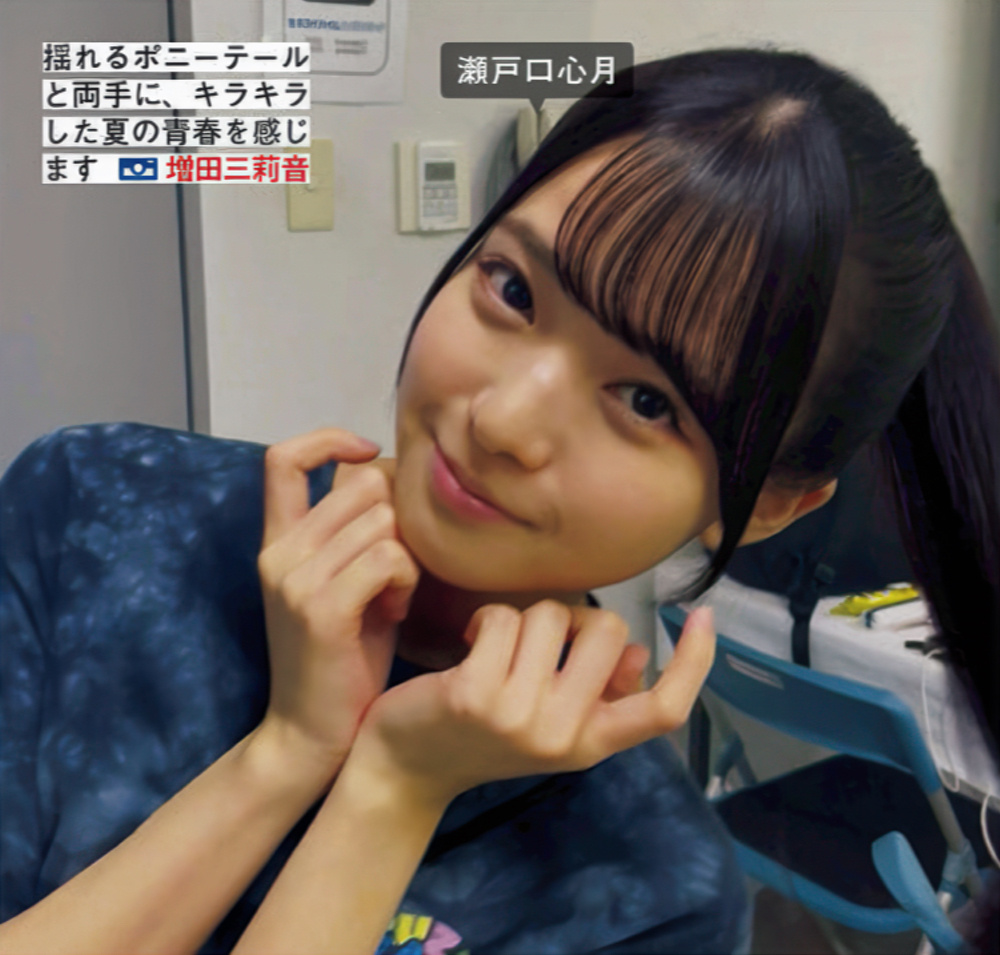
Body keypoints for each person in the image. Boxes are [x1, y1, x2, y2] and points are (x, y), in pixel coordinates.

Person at [1, 47, 998, 954]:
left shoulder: (653, 893)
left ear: (770, 505)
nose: (504, 419)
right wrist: (289, 751)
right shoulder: (94, 508)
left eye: (648, 402)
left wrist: (393, 784)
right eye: (513, 289)